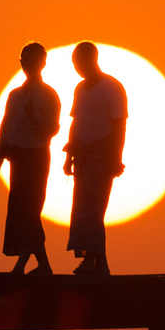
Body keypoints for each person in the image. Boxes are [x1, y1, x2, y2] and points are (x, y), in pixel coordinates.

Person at [0, 42, 61, 276]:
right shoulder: (14, 95)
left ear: (43, 63)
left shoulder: (48, 95)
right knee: (20, 212)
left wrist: (34, 116)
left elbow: (53, 130)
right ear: (21, 63)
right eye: (25, 60)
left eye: (34, 60)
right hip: (17, 160)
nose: (29, 65)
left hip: (37, 158)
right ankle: (34, 265)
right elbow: (4, 131)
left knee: (30, 210)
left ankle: (38, 266)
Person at [63, 41, 127, 277]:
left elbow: (120, 125)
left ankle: (94, 261)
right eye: (74, 63)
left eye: (80, 62)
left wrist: (115, 158)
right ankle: (97, 261)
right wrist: (68, 156)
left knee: (93, 207)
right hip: (82, 155)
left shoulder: (111, 87)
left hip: (102, 154)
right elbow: (76, 122)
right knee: (82, 209)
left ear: (92, 59)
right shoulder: (79, 89)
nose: (77, 67)